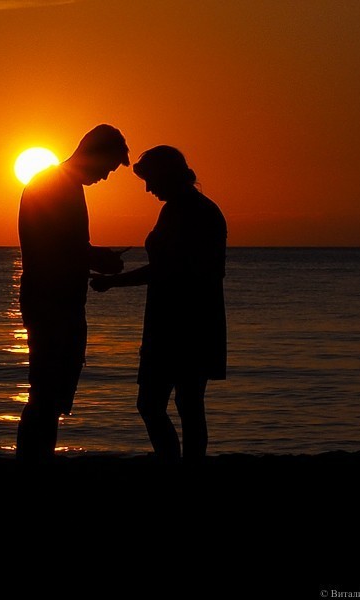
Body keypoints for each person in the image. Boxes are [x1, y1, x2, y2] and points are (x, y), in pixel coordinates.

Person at [90, 146, 227, 462]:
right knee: (186, 403)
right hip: (187, 318)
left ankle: (176, 466)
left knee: (160, 404)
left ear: (166, 175)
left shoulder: (191, 212)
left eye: (150, 180)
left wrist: (112, 281)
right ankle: (183, 466)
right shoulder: (188, 209)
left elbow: (166, 270)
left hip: (182, 321)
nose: (148, 188)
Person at [16, 124, 130, 462]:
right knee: (46, 395)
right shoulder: (54, 185)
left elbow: (64, 246)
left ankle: (37, 461)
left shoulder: (59, 185)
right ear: (94, 154)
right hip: (52, 304)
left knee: (51, 394)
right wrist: (98, 258)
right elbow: (53, 247)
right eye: (107, 168)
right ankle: (33, 463)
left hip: (57, 301)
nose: (105, 177)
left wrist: (93, 257)